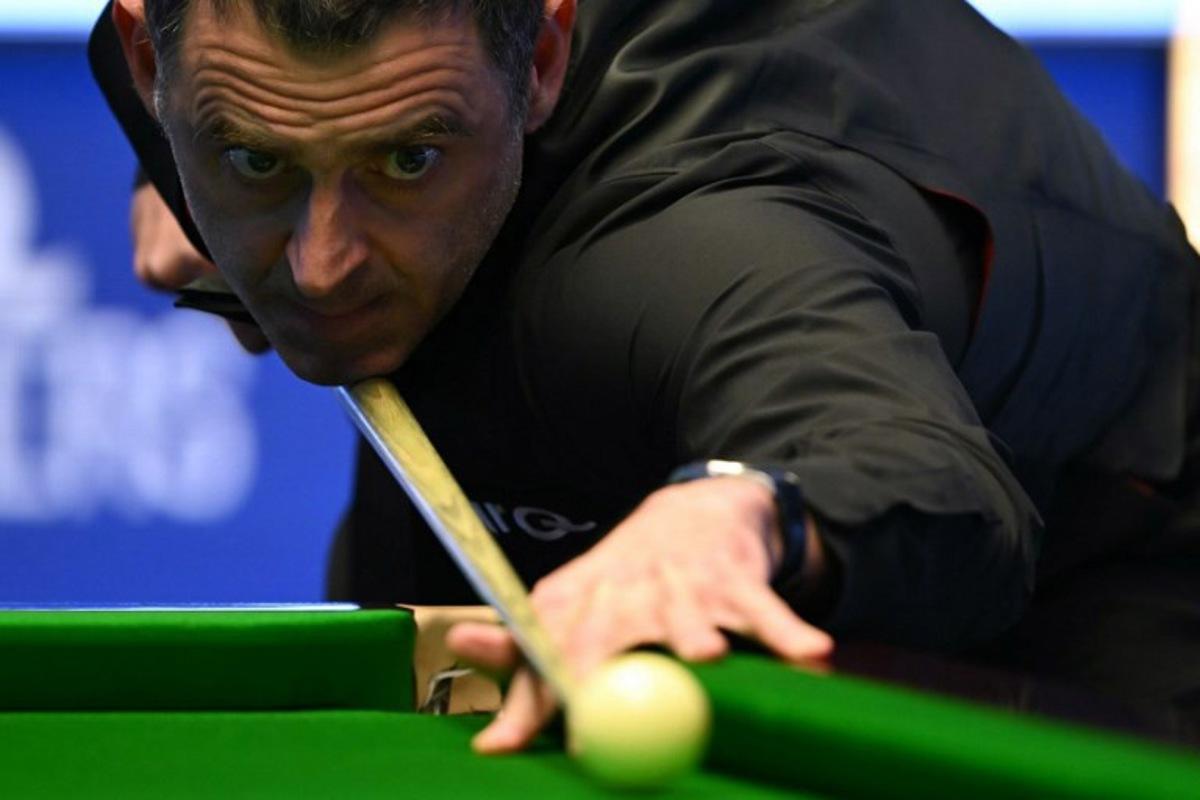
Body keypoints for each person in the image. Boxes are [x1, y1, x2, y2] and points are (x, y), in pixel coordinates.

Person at [91, 0, 1200, 749]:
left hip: (1100, 520)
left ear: (541, 59)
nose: (321, 267)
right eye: (258, 156)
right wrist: (195, 185)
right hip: (521, 384)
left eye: (406, 158)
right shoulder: (206, 50)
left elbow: (934, 484)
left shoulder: (697, 247)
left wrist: (737, 507)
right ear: (153, 67)